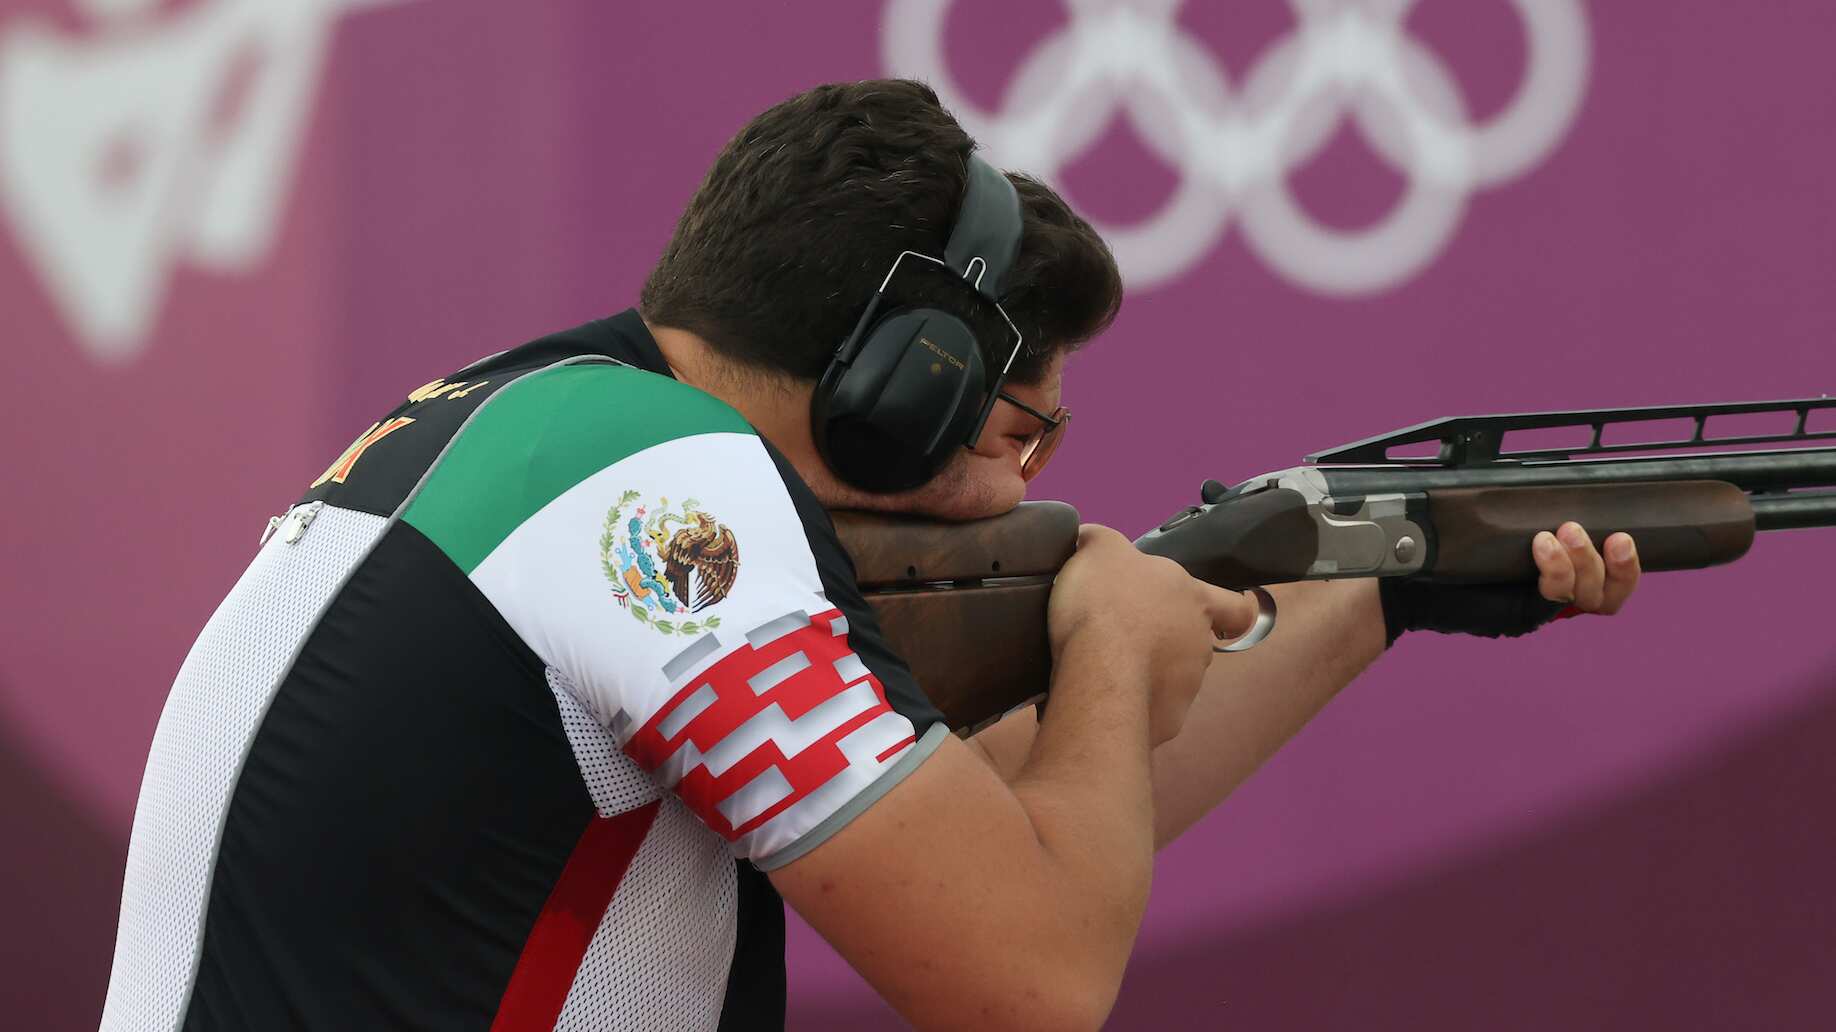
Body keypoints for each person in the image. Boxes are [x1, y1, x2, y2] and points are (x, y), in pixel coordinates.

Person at [99, 80, 1641, 1031]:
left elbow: (1025, 835)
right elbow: (1027, 977)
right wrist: (1108, 637)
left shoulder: (544, 430)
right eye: (1020, 431)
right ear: (911, 389)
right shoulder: (666, 507)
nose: (1025, 485)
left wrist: (1388, 587)